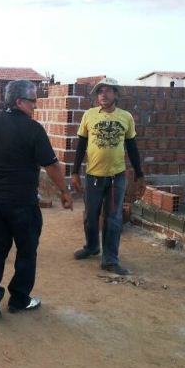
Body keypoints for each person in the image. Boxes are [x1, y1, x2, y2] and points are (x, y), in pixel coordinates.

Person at [0, 80, 73, 318]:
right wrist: (64, 192)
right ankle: (19, 300)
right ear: (19, 101)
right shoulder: (33, 129)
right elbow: (51, 165)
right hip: (22, 203)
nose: (35, 106)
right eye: (32, 101)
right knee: (26, 250)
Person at [71, 77, 146, 276]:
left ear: (116, 94)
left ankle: (110, 260)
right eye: (100, 91)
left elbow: (132, 147)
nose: (103, 94)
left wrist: (139, 174)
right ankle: (92, 246)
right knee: (91, 215)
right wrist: (74, 172)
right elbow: (81, 145)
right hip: (93, 176)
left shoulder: (126, 117)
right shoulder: (89, 115)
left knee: (113, 218)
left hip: (116, 178)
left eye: (107, 90)